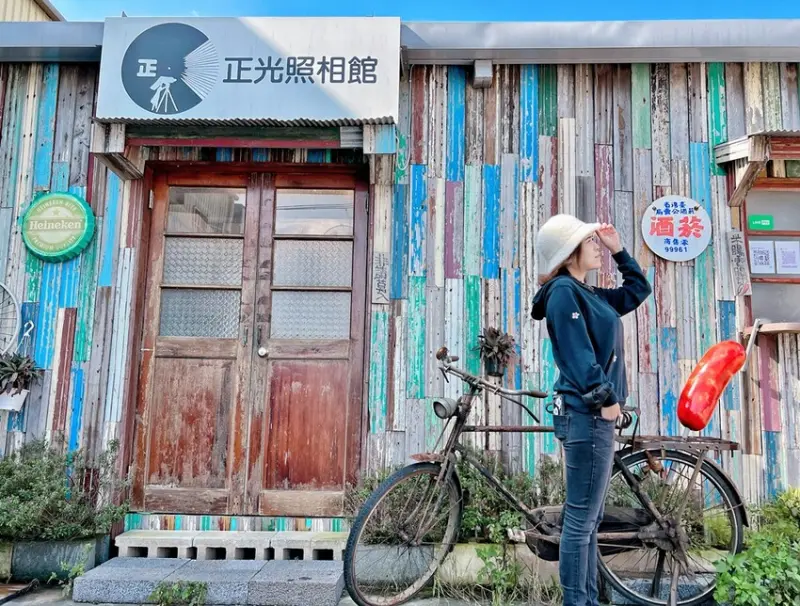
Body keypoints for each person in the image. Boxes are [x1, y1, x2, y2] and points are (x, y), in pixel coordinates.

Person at [530, 214, 652, 606]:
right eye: (591, 242)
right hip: (588, 415)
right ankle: (576, 601)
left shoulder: (588, 293)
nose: (596, 246)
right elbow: (579, 356)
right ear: (570, 252)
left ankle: (586, 599)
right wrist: (607, 399)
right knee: (580, 523)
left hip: (593, 416)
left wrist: (619, 250)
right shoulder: (564, 292)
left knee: (588, 521)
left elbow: (638, 290)